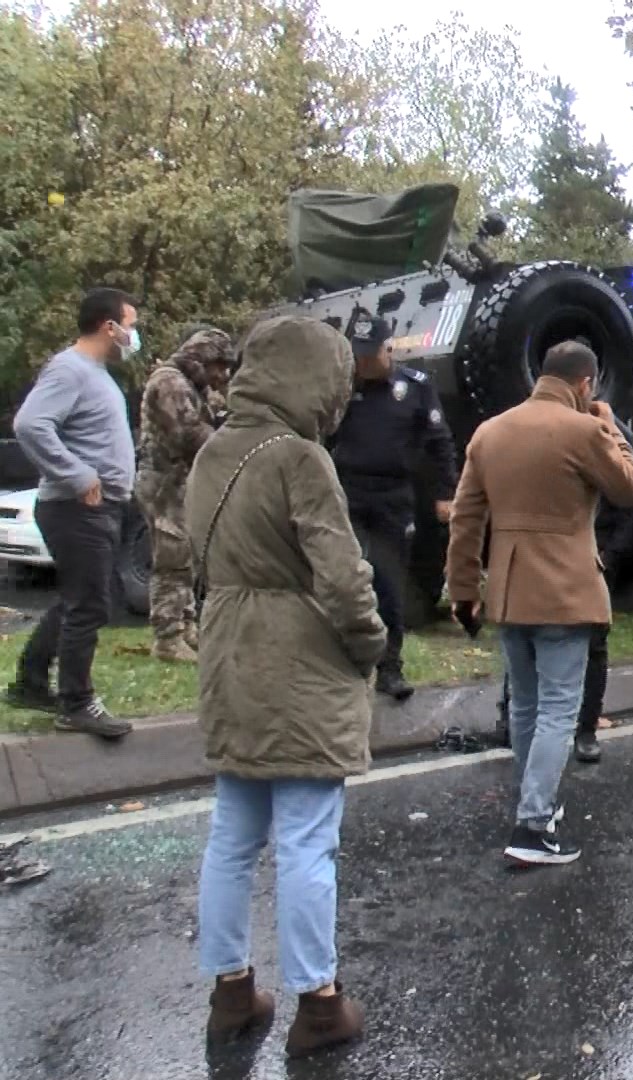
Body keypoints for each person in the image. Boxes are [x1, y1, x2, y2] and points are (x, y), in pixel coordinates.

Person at [187, 315, 386, 1057]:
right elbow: (340, 575)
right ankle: (320, 1003)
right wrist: (369, 642)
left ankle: (231, 991)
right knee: (307, 840)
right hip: (297, 661)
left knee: (233, 836)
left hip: (227, 646)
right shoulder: (300, 458)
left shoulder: (213, 449)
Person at [445, 342, 633, 867]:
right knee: (560, 708)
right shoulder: (584, 430)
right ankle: (533, 827)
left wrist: (464, 590)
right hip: (566, 588)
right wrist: (611, 428)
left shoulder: (490, 432)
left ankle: (535, 805)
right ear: (586, 384)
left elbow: (465, 519)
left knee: (528, 707)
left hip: (510, 589)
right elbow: (630, 487)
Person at [6, 287, 141, 738]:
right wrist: (78, 475)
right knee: (90, 605)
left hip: (97, 507)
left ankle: (29, 681)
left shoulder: (94, 372)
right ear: (109, 327)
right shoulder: (70, 369)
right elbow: (29, 424)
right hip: (77, 507)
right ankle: (76, 703)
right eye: (131, 325)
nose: (133, 335)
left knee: (78, 599)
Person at [493, 408, 633, 764]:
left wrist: (608, 555)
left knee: (591, 645)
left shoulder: (611, 432)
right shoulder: (531, 430)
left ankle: (586, 729)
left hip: (592, 554)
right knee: (523, 635)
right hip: (537, 553)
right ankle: (511, 719)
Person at [327, 309, 456, 702]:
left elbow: (439, 443)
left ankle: (390, 667)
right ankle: (341, 665)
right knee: (342, 579)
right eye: (359, 355)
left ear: (388, 350)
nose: (365, 362)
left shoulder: (414, 387)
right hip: (346, 492)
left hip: (392, 497)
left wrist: (445, 493)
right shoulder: (341, 387)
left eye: (372, 354)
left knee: (387, 582)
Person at [135, 326, 235, 662]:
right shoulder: (170, 383)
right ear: (199, 359)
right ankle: (167, 636)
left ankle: (187, 625)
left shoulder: (194, 386)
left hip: (181, 481)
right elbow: (191, 435)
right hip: (164, 482)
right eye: (217, 365)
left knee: (187, 557)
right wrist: (228, 445)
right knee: (171, 560)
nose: (221, 374)